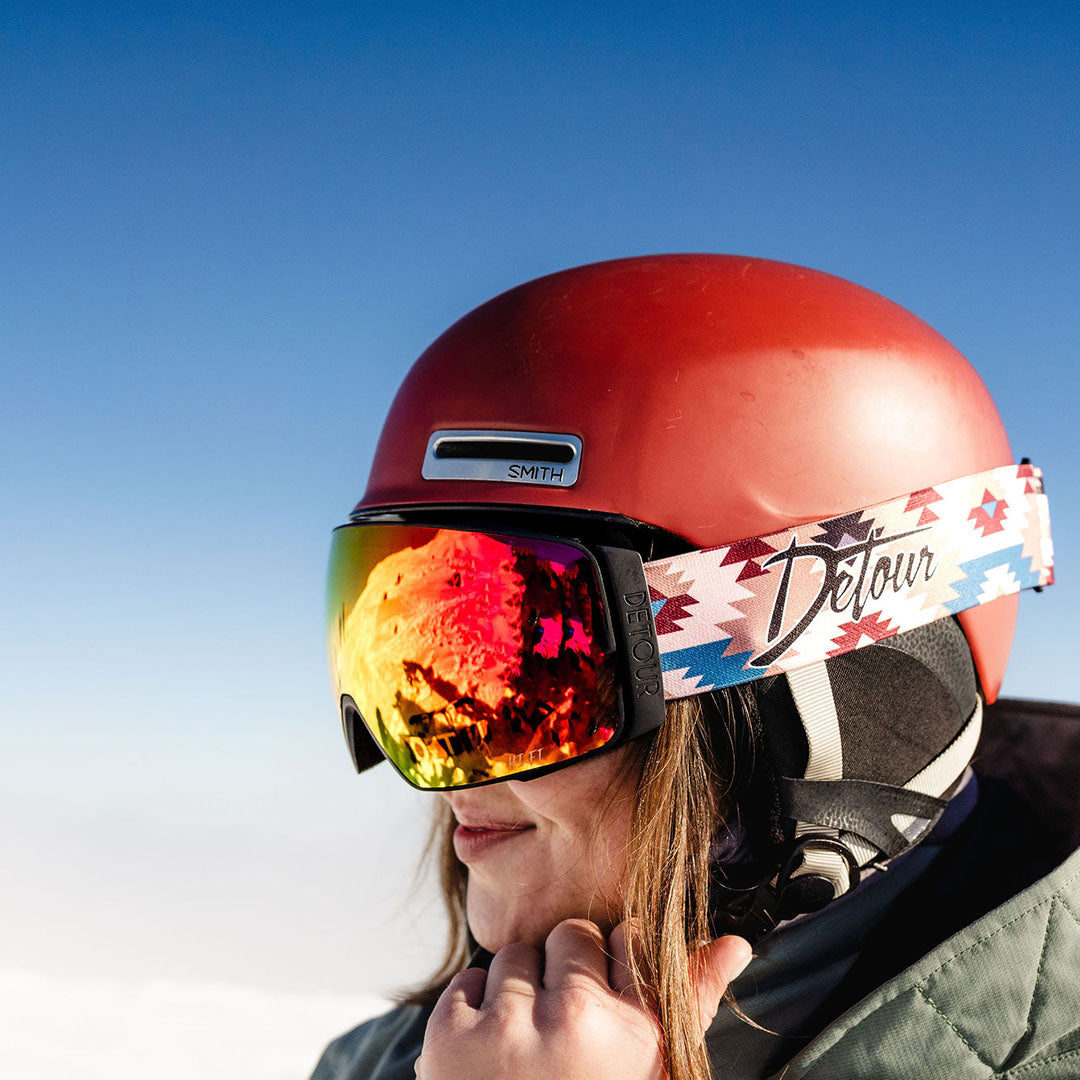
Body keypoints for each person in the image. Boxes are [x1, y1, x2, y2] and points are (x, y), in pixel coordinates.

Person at [310, 255, 1078, 1080]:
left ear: (812, 698)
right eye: (402, 663)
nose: (428, 763)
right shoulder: (398, 1062)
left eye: (524, 681)